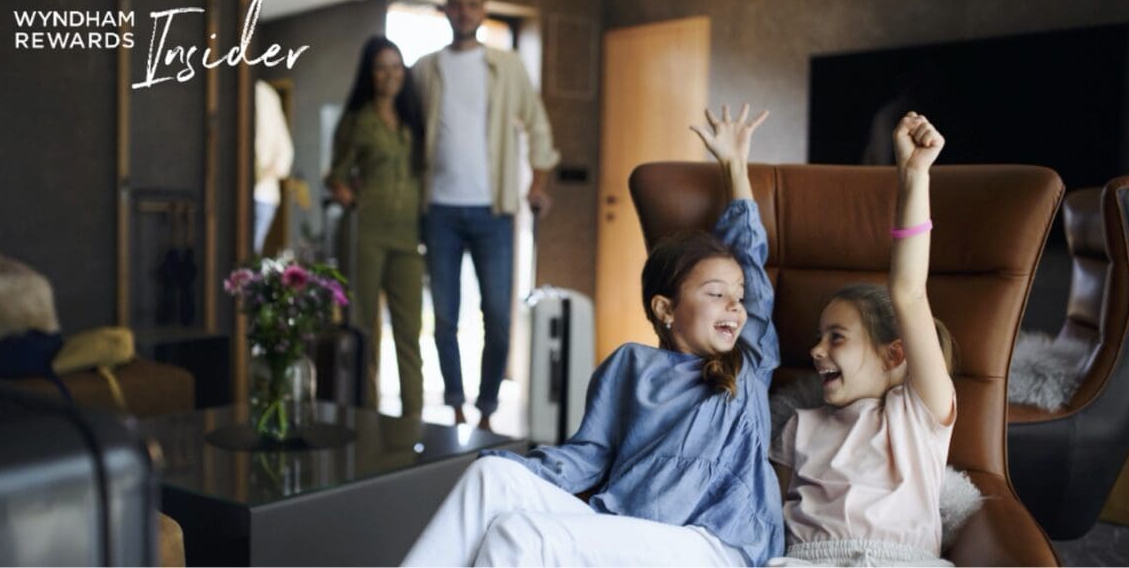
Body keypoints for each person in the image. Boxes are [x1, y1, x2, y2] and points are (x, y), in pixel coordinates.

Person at [401, 103, 783, 567]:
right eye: (715, 294)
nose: (734, 306)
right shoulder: (629, 365)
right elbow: (588, 454)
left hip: (714, 542)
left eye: (737, 297)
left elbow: (749, 259)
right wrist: (524, 475)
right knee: (491, 476)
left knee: (520, 538)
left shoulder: (749, 361)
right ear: (665, 310)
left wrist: (734, 166)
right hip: (625, 523)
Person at [768, 113, 958, 567]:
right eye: (819, 337)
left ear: (894, 352)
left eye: (837, 337)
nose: (816, 350)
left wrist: (914, 176)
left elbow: (909, 292)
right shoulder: (799, 426)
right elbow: (767, 519)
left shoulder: (919, 415)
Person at [411, 0, 560, 431]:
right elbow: (408, 137)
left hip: (494, 210)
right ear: (446, 10)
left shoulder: (506, 65)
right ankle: (454, 404)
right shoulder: (425, 69)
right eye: (455, 5)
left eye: (472, 5)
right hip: (438, 209)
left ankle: (488, 408)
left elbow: (538, 127)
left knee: (497, 315)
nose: (464, 12)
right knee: (444, 317)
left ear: (483, 9)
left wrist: (537, 184)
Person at [325, 36, 426, 418]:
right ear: (370, 74)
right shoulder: (357, 121)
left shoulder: (413, 120)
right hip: (366, 233)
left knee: (410, 333)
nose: (390, 74)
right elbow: (335, 175)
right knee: (364, 329)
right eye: (382, 67)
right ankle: (367, 414)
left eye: (396, 66)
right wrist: (347, 195)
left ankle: (413, 421)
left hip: (407, 237)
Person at [253, 79, 294, 254]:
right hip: (263, 193)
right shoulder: (267, 95)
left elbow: (285, 154)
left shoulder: (266, 95)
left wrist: (263, 173)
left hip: (262, 191)